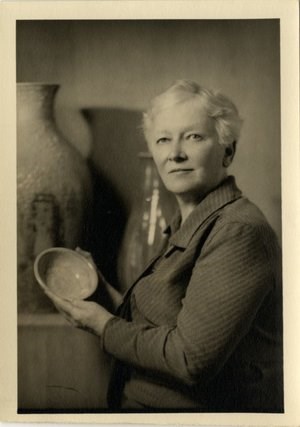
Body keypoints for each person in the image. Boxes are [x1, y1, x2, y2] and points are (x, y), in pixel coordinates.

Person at [44, 80, 283, 412]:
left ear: (228, 151)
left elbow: (189, 358)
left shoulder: (238, 231)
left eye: (194, 137)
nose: (175, 153)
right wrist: (106, 297)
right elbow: (165, 326)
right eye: (163, 139)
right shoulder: (193, 221)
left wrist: (103, 325)